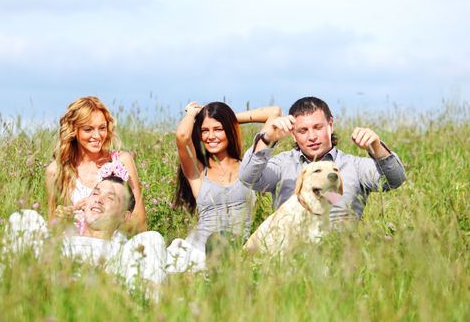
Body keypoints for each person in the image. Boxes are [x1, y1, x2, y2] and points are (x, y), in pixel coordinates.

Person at [239, 96, 406, 221]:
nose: (312, 137)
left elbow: (395, 180)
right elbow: (248, 179)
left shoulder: (353, 166)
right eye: (303, 131)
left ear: (330, 125)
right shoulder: (283, 165)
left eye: (318, 127)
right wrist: (266, 140)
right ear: (293, 135)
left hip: (340, 255)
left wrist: (376, 147)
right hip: (291, 257)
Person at [167, 101, 281, 272]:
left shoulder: (249, 168)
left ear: (229, 130)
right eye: (205, 130)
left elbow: (275, 112)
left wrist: (229, 119)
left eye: (218, 129)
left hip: (234, 253)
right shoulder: (198, 171)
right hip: (197, 252)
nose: (210, 136)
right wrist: (192, 114)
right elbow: (182, 136)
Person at [3, 176, 167, 288]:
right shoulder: (63, 241)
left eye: (110, 198)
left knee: (153, 238)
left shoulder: (125, 252)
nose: (98, 199)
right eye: (95, 193)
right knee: (25, 217)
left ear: (124, 216)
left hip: (108, 292)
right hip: (51, 285)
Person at [45, 96, 147, 233]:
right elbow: (52, 229)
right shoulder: (56, 171)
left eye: (102, 128)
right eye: (88, 129)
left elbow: (140, 225)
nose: (97, 136)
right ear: (74, 131)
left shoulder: (122, 161)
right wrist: (65, 217)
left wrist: (103, 215)